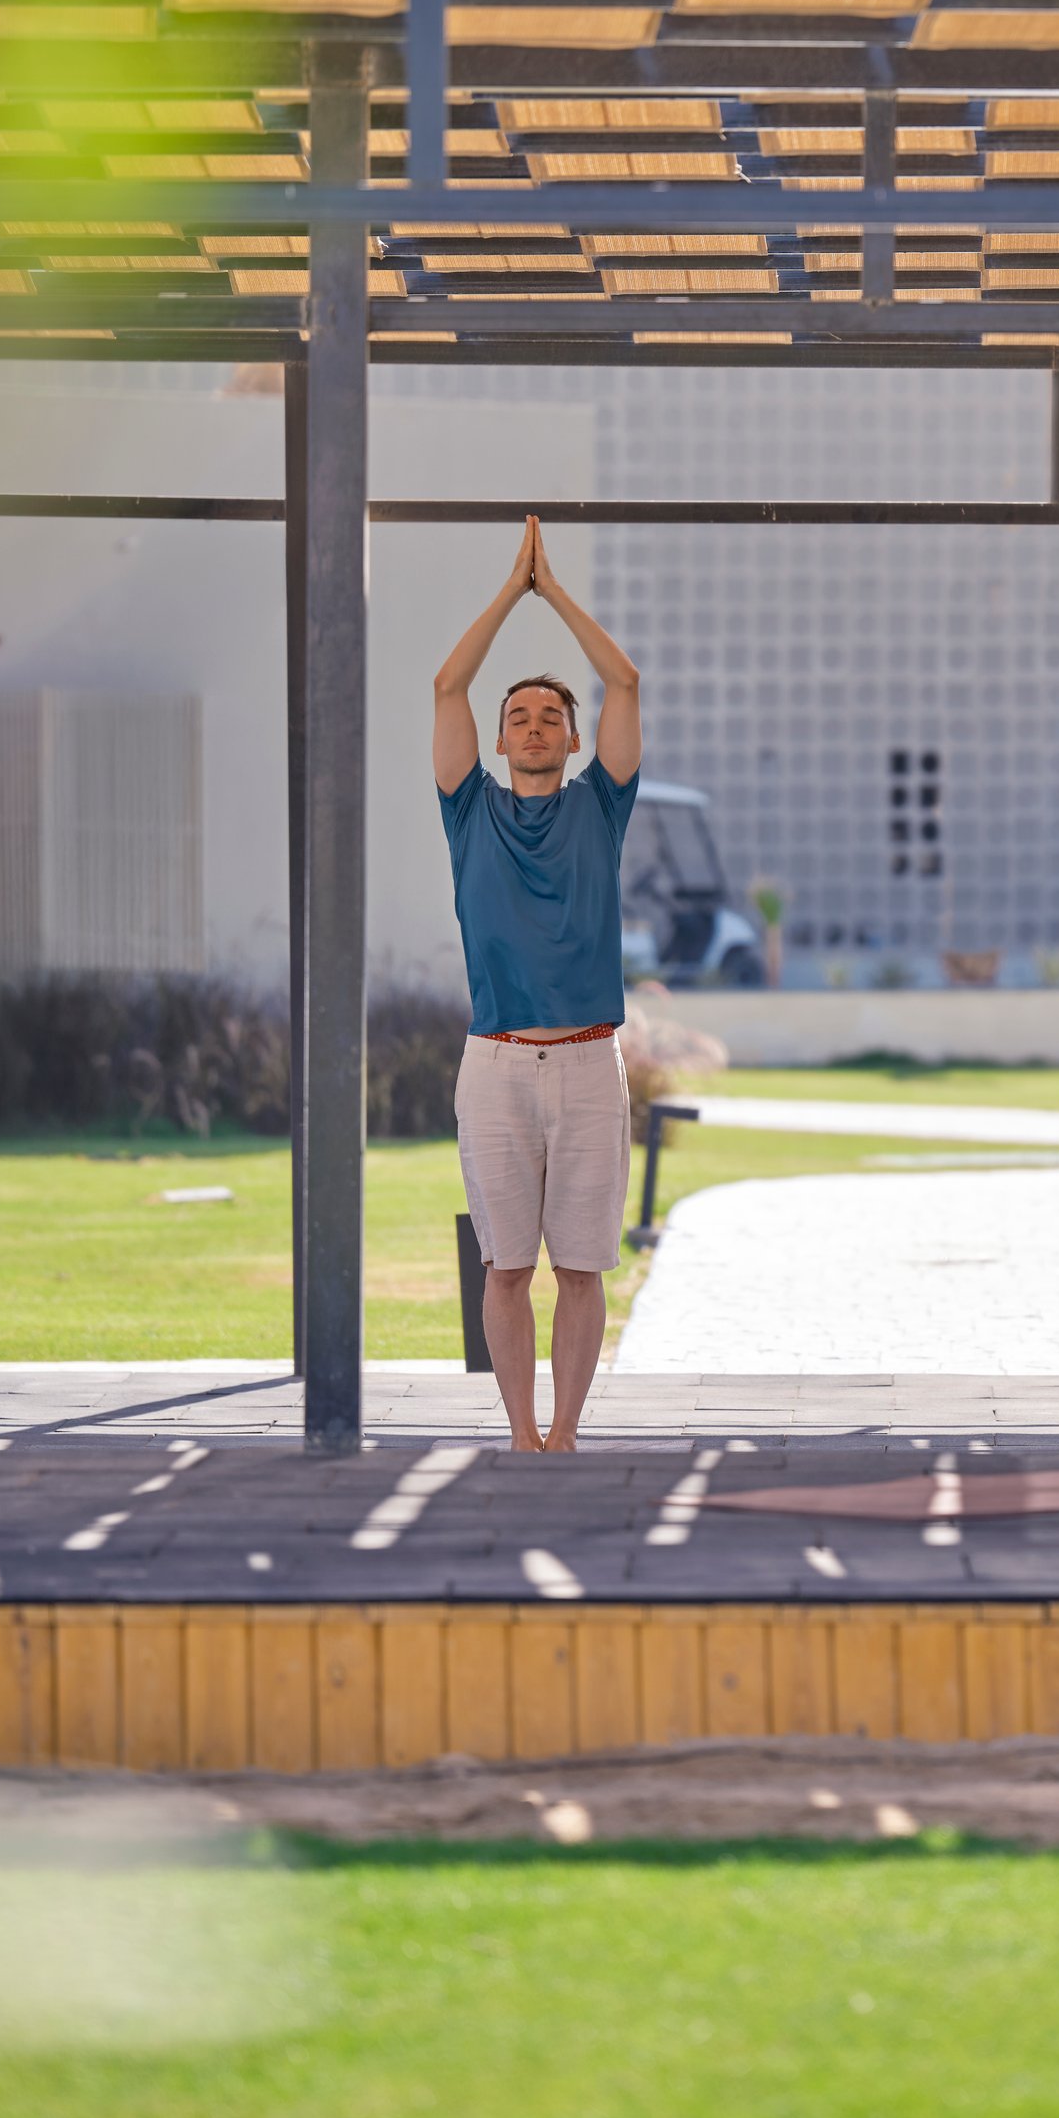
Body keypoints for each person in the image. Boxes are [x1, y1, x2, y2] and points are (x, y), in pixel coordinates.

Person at [434, 516, 644, 1453]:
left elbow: (626, 683)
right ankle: (521, 1433)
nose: (531, 725)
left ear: (567, 738)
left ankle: (566, 1432)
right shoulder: (467, 809)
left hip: (591, 1064)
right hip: (497, 1064)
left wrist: (553, 594)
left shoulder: (602, 805)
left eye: (548, 716)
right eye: (516, 715)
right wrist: (508, 591)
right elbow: (447, 684)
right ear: (499, 737)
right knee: (507, 1267)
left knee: (585, 1268)